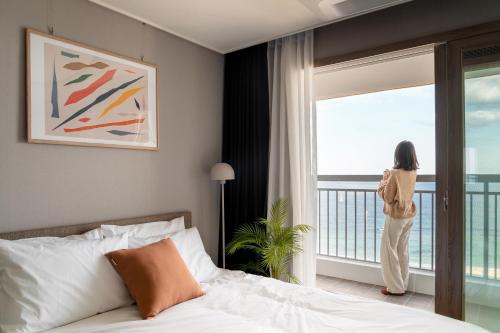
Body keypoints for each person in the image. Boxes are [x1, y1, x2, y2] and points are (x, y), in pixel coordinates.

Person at [378, 140, 418, 296]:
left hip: (396, 216)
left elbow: (387, 197)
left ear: (398, 155)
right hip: (409, 215)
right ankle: (403, 284)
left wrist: (383, 181)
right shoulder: (413, 172)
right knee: (402, 250)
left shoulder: (394, 174)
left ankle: (394, 288)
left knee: (388, 250)